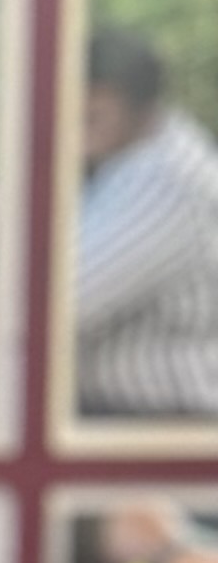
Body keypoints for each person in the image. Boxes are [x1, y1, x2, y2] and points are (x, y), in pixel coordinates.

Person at [77, 29, 218, 420]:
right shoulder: (114, 163)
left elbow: (61, 303)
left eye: (92, 113)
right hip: (110, 418)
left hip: (162, 425)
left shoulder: (170, 177)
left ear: (139, 105)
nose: (75, 121)